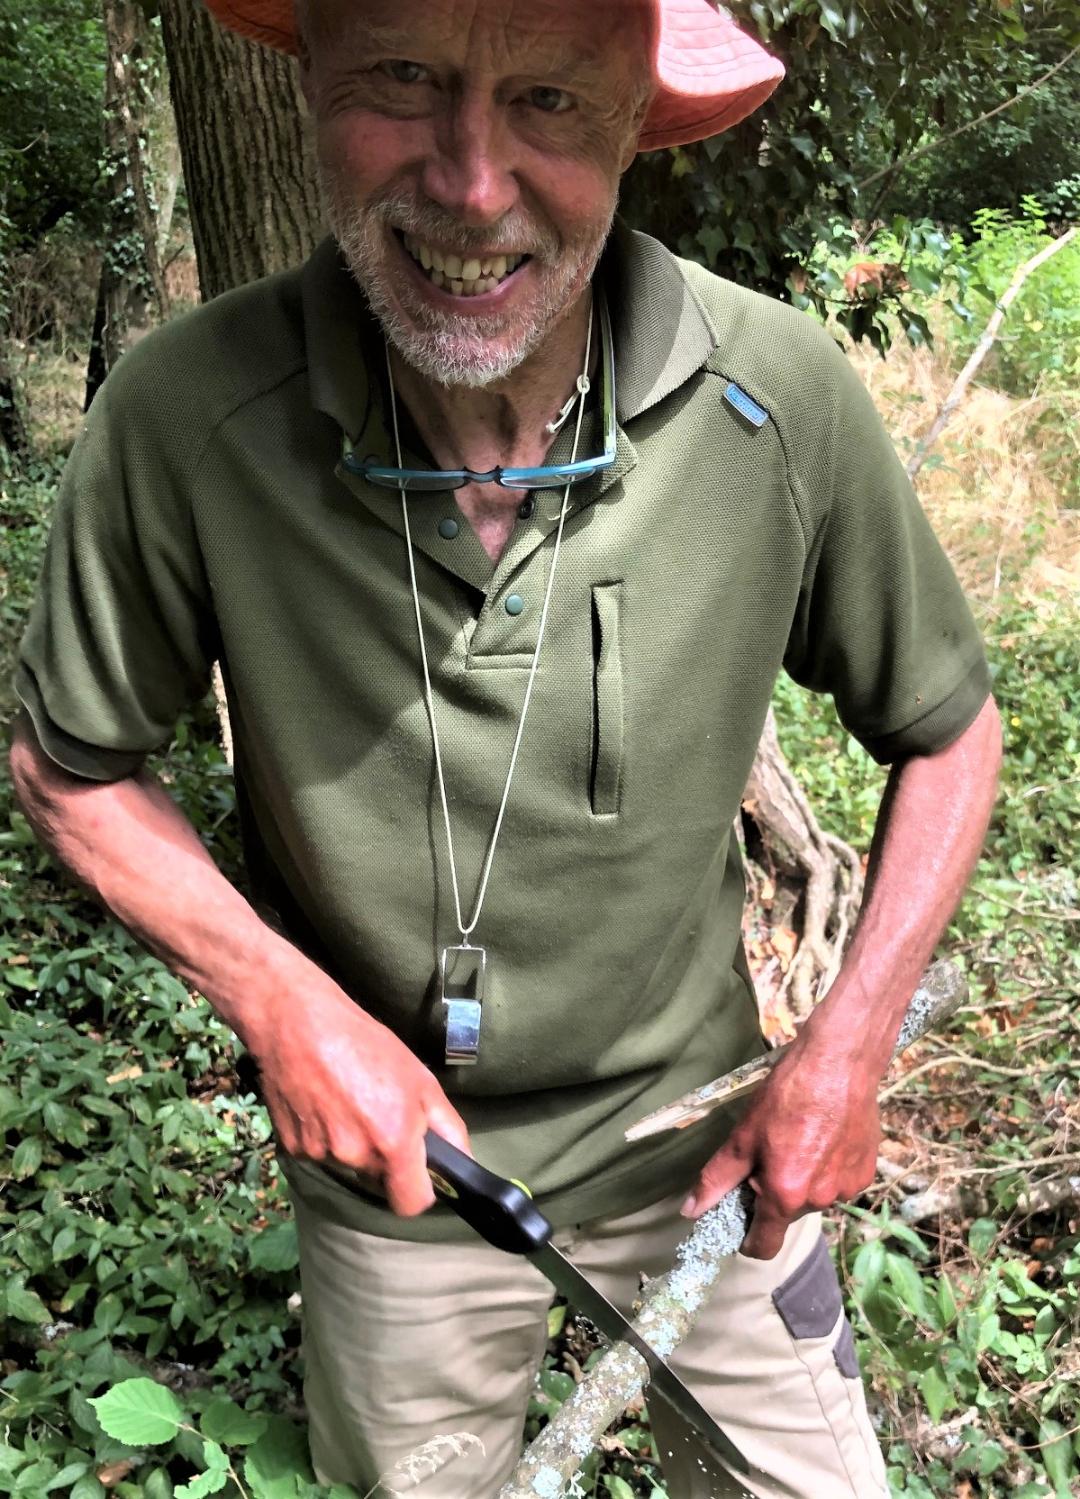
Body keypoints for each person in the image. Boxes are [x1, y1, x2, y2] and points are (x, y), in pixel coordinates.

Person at [9, 1, 1002, 1494]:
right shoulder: (191, 417)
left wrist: (848, 1044)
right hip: (401, 1182)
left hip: (710, 1160)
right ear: (309, 91)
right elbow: (68, 763)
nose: (472, 185)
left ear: (633, 122)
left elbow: (952, 730)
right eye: (403, 79)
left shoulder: (775, 401)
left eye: (548, 97)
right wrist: (285, 1007)